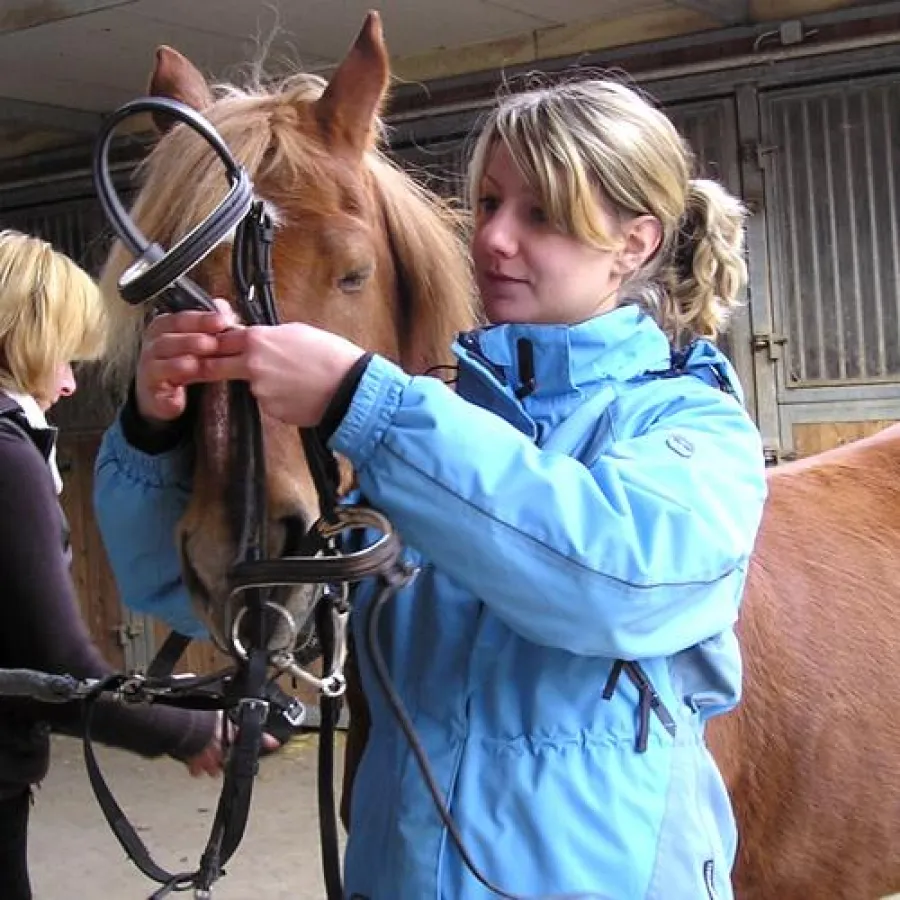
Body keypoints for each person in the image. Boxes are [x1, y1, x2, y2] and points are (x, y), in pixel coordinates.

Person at [94, 77, 768, 899]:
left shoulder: (683, 421)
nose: (492, 240)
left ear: (634, 243)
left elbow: (617, 582)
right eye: (488, 204)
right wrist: (153, 434)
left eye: (541, 215)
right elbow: (205, 600)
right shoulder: (423, 433)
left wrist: (366, 407)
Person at [0, 230, 239, 900]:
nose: (71, 382)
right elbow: (56, 667)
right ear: (25, 339)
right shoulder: (8, 457)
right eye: (63, 357)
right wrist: (188, 731)